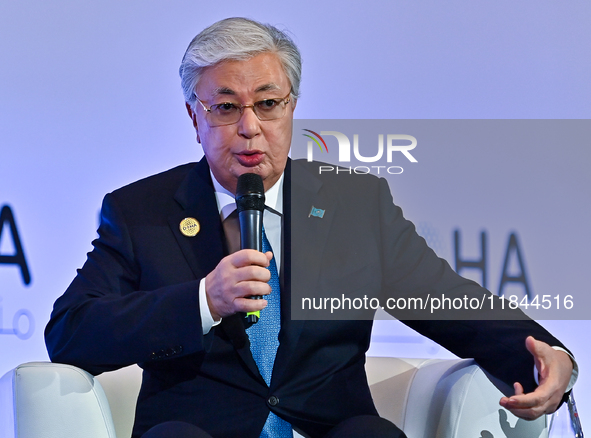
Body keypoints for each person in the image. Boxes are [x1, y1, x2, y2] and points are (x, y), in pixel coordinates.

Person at [45, 17, 576, 438]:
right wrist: (203, 300)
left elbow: (446, 300)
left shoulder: (356, 203)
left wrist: (545, 353)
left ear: (292, 107)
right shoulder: (142, 209)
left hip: (331, 428)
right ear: (194, 117)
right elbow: (71, 332)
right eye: (226, 107)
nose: (250, 127)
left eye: (268, 104)